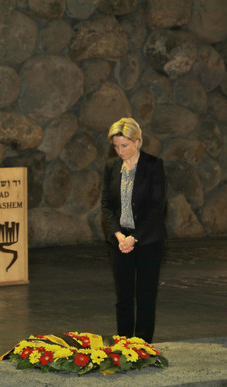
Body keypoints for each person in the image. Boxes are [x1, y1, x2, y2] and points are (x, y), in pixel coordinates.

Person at [101, 117, 166, 343]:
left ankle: (142, 346)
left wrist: (134, 238)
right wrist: (119, 235)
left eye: (124, 145)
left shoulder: (153, 166)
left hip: (147, 241)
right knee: (124, 297)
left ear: (138, 141)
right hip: (119, 241)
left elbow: (157, 208)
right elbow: (106, 205)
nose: (120, 151)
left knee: (146, 296)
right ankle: (123, 344)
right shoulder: (111, 166)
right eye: (116, 146)